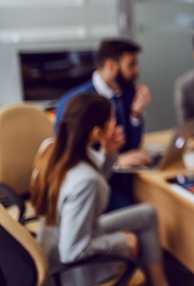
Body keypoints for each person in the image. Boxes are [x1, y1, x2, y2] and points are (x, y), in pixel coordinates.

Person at [31, 93, 170, 286]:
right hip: (72, 269)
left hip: (60, 237)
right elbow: (72, 252)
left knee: (147, 214)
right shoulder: (86, 179)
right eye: (110, 120)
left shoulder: (52, 148)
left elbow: (86, 179)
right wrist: (120, 241)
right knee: (133, 231)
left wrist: (108, 153)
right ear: (96, 132)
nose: (115, 124)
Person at [54, 37, 153, 211]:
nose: (136, 71)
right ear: (111, 66)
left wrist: (136, 114)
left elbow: (131, 146)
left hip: (121, 178)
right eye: (131, 65)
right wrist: (115, 161)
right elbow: (68, 157)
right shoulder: (75, 102)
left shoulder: (127, 94)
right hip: (91, 183)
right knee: (143, 213)